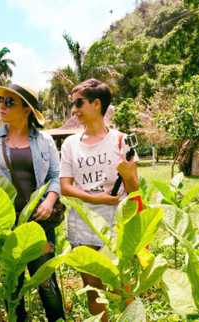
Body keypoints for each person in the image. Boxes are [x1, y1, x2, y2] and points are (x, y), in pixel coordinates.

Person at [0, 83, 65, 322]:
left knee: (47, 284)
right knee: (12, 288)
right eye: (0, 101)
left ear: (27, 110)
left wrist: (49, 200)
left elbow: (54, 177)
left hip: (39, 224)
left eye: (9, 102)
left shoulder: (45, 140)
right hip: (2, 225)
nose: (1, 107)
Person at [60, 79, 139, 321]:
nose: (74, 110)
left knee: (121, 286)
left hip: (117, 224)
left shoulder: (121, 140)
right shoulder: (70, 144)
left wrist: (127, 176)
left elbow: (134, 189)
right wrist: (98, 198)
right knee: (93, 289)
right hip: (83, 224)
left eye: (78, 103)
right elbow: (65, 187)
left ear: (96, 104)